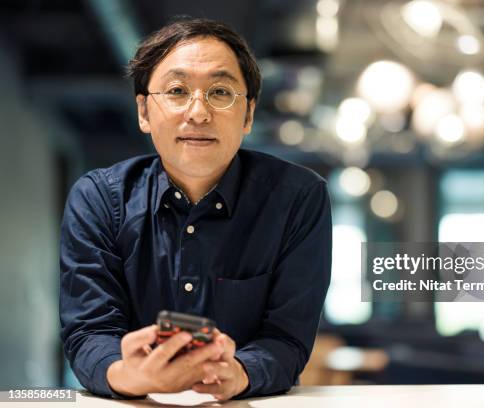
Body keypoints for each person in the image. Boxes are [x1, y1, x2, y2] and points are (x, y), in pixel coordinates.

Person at [59, 17, 332, 401]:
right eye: (176, 90)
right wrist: (126, 373)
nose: (198, 112)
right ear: (143, 112)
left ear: (249, 114)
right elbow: (88, 331)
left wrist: (240, 372)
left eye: (220, 92)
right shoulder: (99, 199)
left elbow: (288, 336)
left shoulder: (298, 198)